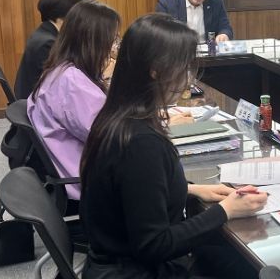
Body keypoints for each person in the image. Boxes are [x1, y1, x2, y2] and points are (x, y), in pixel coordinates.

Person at [80, 14, 267, 278]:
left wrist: (192, 188)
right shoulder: (140, 143)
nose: (188, 78)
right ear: (156, 70)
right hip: (136, 271)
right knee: (250, 267)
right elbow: (154, 245)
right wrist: (226, 211)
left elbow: (132, 191)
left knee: (231, 258)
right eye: (184, 67)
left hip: (115, 260)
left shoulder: (119, 116)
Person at [27, 0, 121, 200]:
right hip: (86, 183)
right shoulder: (73, 83)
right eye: (112, 40)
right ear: (94, 42)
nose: (113, 48)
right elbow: (112, 139)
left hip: (72, 171)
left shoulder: (61, 69)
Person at [14, 0, 92, 99]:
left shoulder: (44, 33)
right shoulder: (48, 44)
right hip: (37, 105)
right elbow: (66, 85)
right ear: (65, 15)